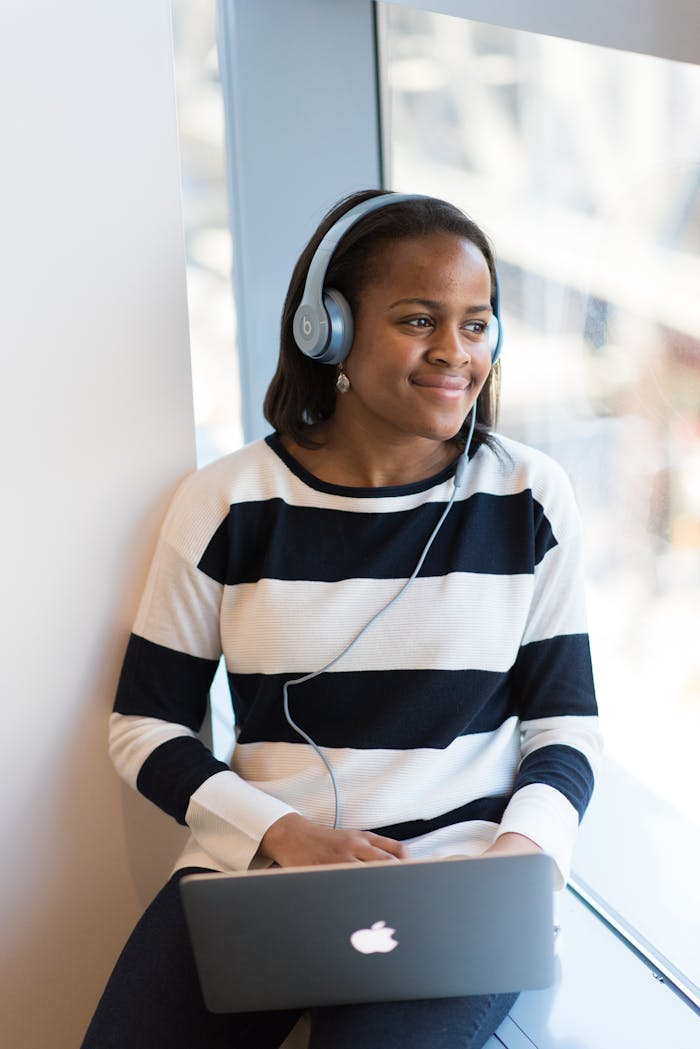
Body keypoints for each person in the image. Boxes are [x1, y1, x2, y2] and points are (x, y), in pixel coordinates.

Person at [81, 189, 601, 1049]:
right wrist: (281, 834)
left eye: (478, 324)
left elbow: (565, 726)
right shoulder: (231, 500)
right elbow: (145, 724)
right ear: (328, 329)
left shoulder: (529, 496)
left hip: (454, 880)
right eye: (418, 319)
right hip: (259, 867)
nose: (455, 353)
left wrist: (522, 852)